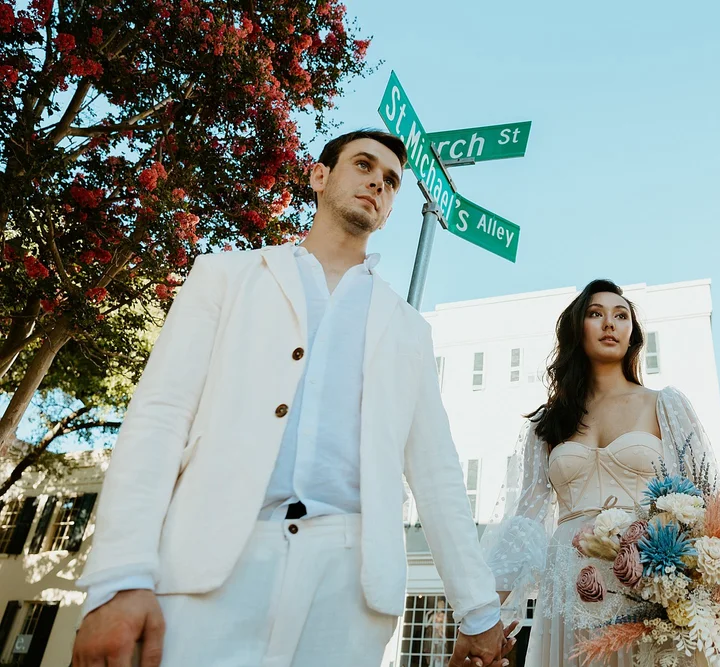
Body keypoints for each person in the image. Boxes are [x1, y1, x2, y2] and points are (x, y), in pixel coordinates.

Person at [72, 129, 513, 667]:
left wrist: (478, 610)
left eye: (391, 181)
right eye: (363, 165)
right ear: (320, 175)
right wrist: (119, 577)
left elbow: (438, 473)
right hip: (208, 569)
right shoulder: (224, 277)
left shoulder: (408, 330)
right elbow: (160, 419)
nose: (378, 181)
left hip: (349, 589)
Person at [481, 279, 720, 666]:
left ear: (632, 335)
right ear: (578, 329)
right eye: (596, 314)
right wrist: (485, 616)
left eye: (620, 315)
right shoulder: (548, 423)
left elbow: (708, 506)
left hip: (648, 581)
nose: (610, 323)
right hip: (566, 590)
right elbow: (525, 521)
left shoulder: (665, 405)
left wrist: (719, 610)